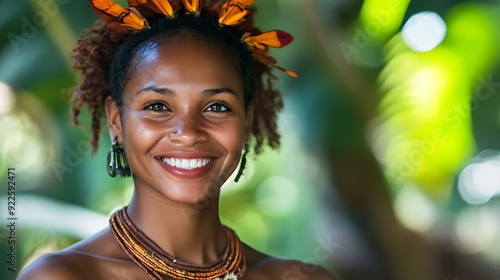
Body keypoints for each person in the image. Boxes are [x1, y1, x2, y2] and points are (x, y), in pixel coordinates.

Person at [19, 0, 336, 279]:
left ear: (246, 122)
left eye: (216, 107)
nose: (188, 132)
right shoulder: (63, 277)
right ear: (116, 120)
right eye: (157, 106)